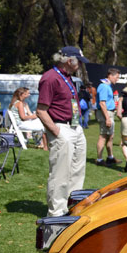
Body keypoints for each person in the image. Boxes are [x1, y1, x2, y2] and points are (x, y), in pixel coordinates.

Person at [35, 46, 88, 217]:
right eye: (78, 61)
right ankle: (56, 212)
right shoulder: (50, 78)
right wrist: (57, 132)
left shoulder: (68, 78)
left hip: (75, 127)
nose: (80, 64)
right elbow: (41, 110)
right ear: (69, 60)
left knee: (77, 171)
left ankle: (72, 206)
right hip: (62, 128)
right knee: (60, 173)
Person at [95, 68, 120, 165]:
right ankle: (100, 160)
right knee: (103, 136)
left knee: (110, 136)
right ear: (110, 75)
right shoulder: (104, 86)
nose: (117, 80)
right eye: (116, 77)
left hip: (109, 113)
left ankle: (110, 157)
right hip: (106, 113)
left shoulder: (108, 86)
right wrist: (107, 118)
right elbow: (102, 103)